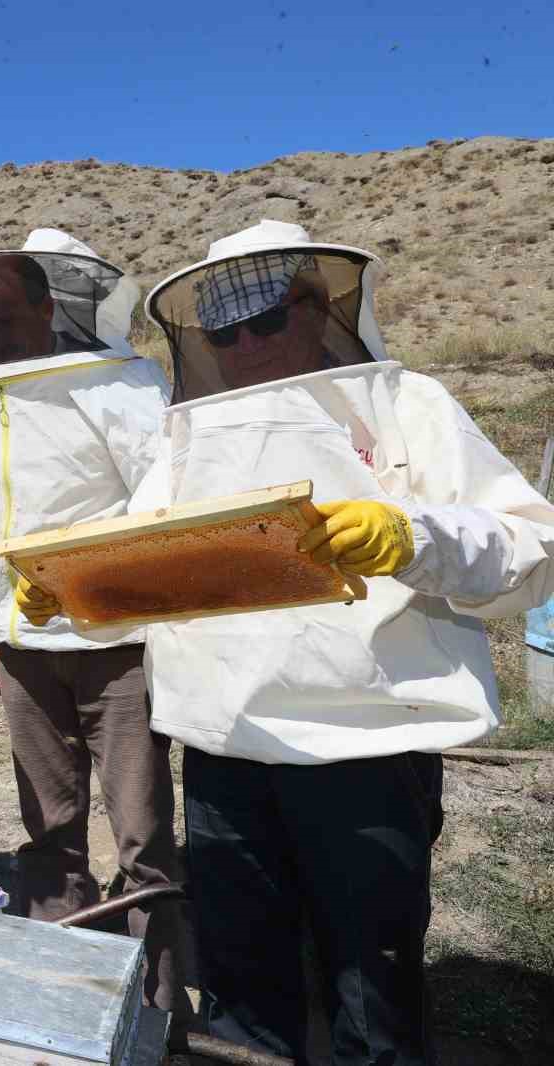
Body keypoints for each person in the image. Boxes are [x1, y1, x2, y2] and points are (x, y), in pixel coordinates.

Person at [108, 220, 554, 1064]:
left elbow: (531, 549)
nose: (245, 346)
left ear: (318, 310)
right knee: (241, 980)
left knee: (369, 986)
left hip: (369, 747)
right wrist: (71, 594)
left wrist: (414, 537)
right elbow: (145, 571)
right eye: (224, 331)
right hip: (225, 749)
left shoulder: (405, 406)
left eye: (267, 321)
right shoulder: (187, 438)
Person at [0, 230, 186, 1014]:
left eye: (5, 320)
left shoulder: (123, 385)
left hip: (115, 650)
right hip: (26, 651)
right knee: (49, 834)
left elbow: (162, 506)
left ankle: (156, 1007)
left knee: (142, 838)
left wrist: (83, 580)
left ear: (51, 306)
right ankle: (65, 996)